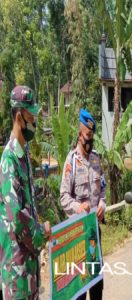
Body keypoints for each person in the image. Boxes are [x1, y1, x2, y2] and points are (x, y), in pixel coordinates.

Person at [0, 85, 51, 299]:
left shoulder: (24, 153)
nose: (34, 123)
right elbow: (16, 217)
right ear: (19, 118)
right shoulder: (9, 158)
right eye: (31, 117)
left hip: (29, 266)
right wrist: (41, 233)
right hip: (16, 270)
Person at [60, 108, 106, 300]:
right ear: (80, 134)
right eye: (88, 134)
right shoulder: (71, 161)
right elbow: (63, 196)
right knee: (79, 291)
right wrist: (78, 207)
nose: (90, 138)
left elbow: (102, 188)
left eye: (92, 134)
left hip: (94, 233)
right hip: (77, 235)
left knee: (96, 287)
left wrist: (102, 203)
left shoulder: (96, 159)